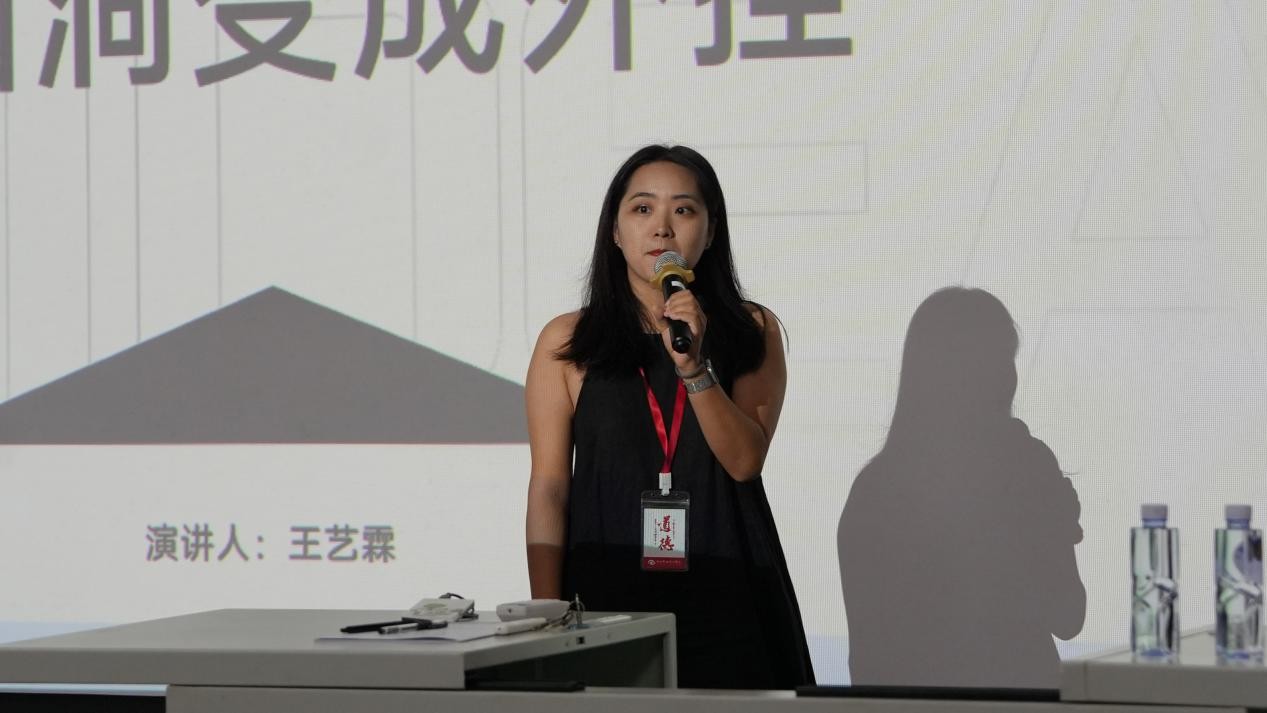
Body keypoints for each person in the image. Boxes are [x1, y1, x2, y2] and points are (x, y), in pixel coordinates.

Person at [524, 144, 815, 689]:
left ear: (711, 230)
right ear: (615, 231)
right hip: (606, 599)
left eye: (683, 209)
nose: (662, 227)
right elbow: (550, 488)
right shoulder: (567, 341)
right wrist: (547, 614)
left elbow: (745, 461)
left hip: (729, 593)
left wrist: (694, 367)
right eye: (642, 209)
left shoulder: (751, 329)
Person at [838, 287, 1085, 688]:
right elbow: (1068, 614)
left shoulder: (873, 487)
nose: (1009, 376)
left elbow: (866, 659)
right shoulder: (1026, 466)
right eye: (1002, 360)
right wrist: (1053, 527)